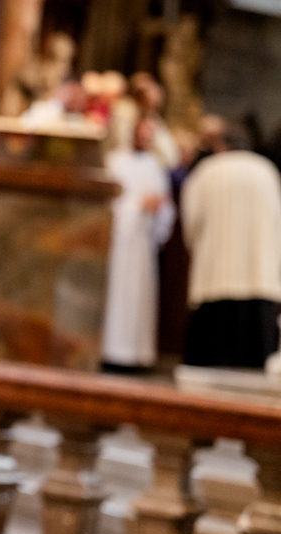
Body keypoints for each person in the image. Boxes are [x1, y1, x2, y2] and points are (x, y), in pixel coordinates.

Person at [181, 125, 281, 368]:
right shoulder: (266, 171)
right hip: (259, 274)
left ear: (221, 146)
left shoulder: (208, 170)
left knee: (211, 355)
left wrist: (195, 245)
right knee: (255, 357)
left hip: (216, 272)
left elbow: (191, 218)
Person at [101, 119, 176, 371]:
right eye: (140, 134)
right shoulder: (115, 161)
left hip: (143, 244)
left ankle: (136, 355)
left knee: (140, 299)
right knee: (117, 297)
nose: (143, 140)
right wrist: (138, 204)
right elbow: (108, 200)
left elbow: (165, 204)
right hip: (119, 242)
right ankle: (112, 352)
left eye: (148, 136)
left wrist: (159, 207)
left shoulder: (155, 165)